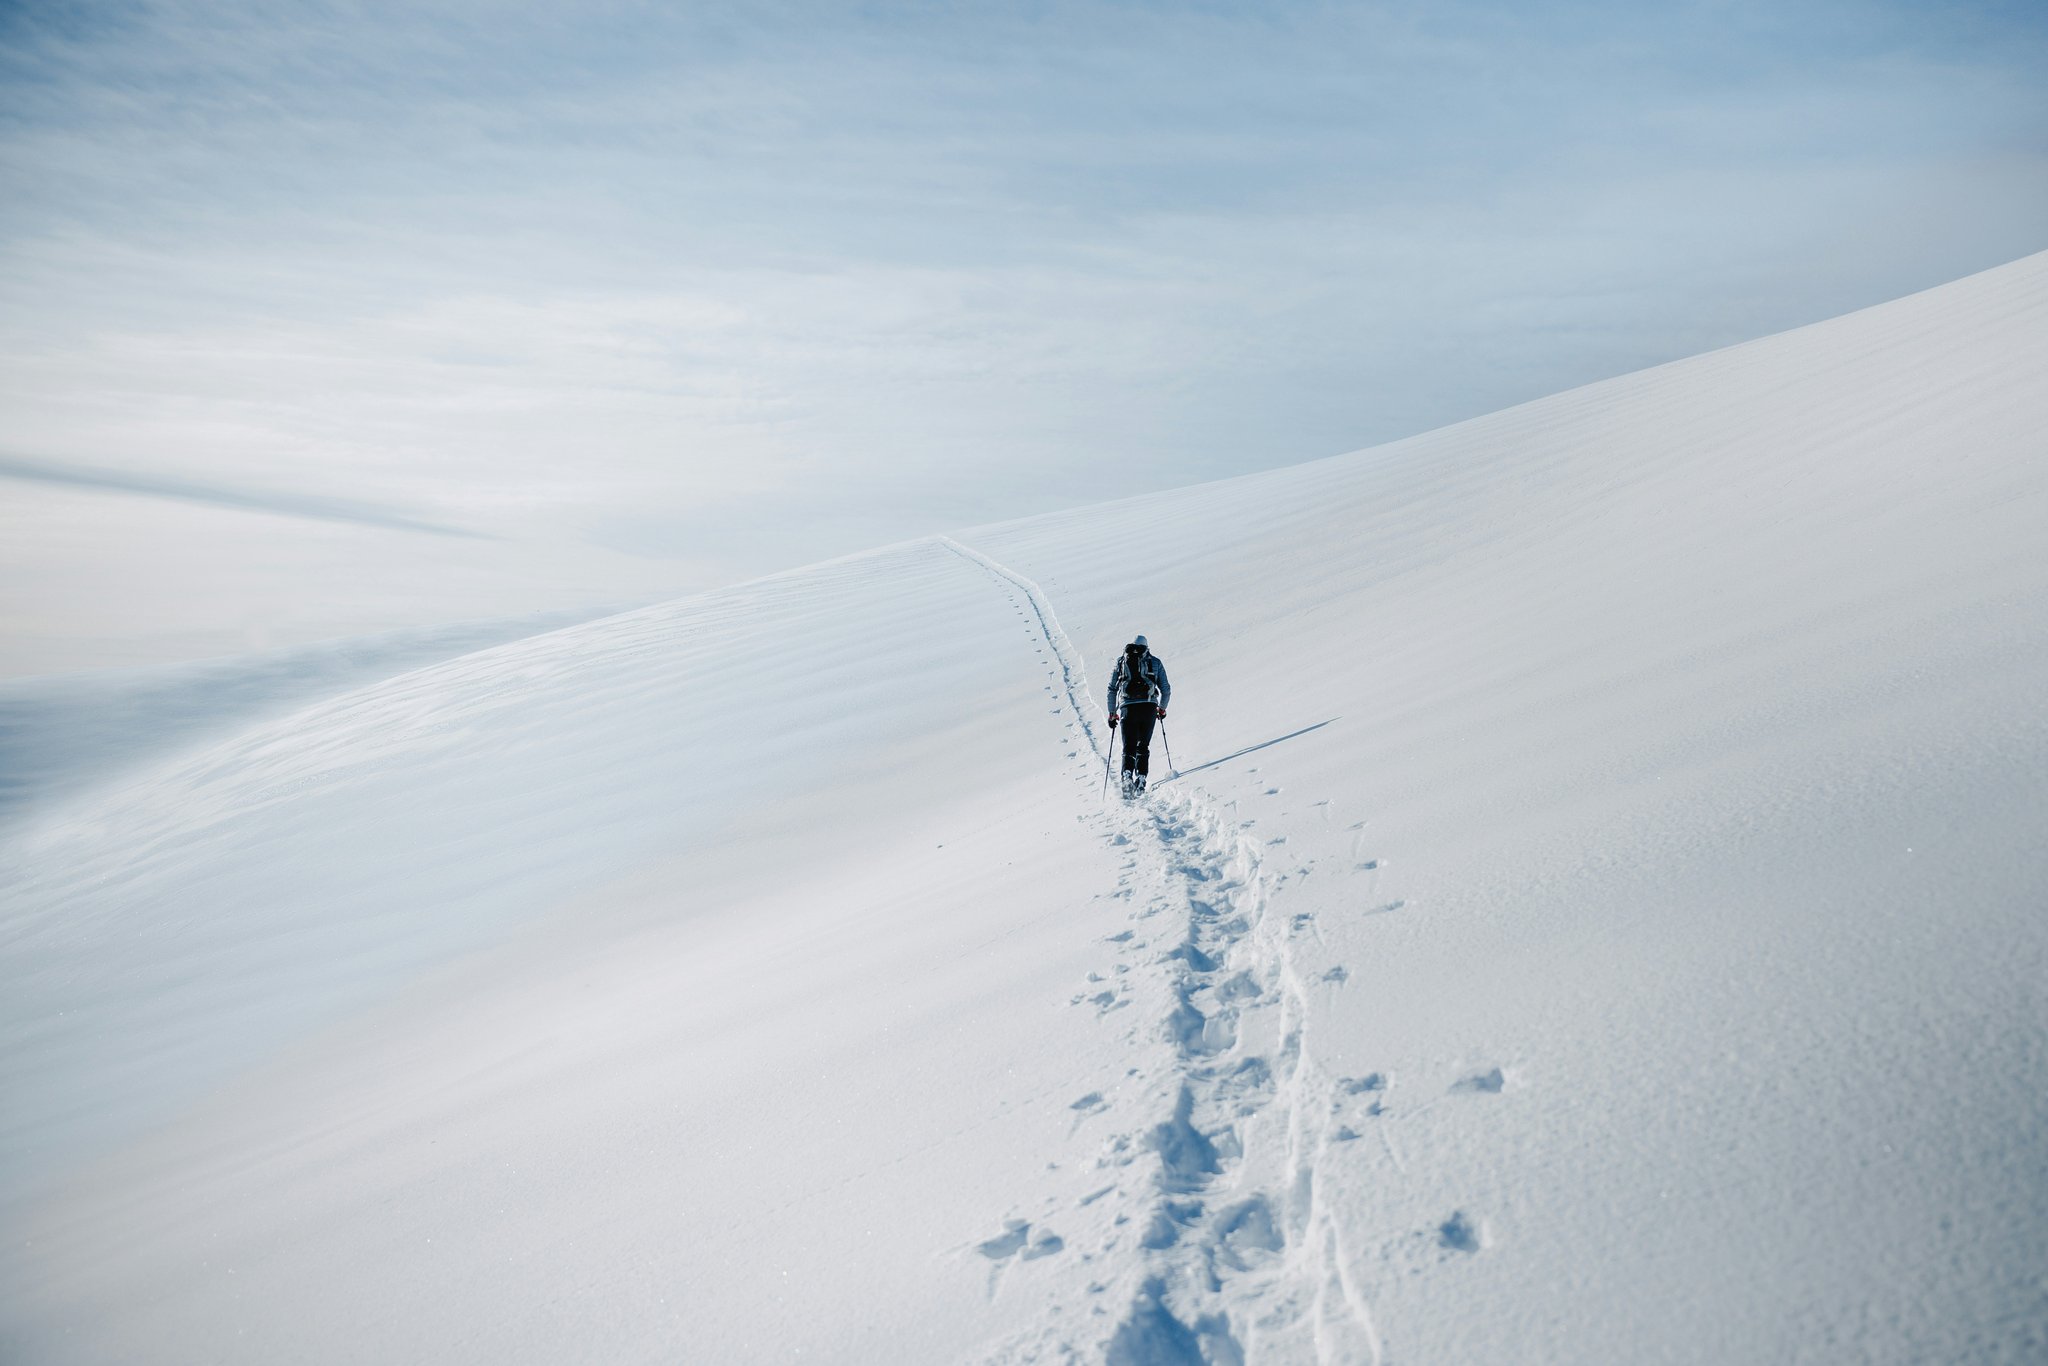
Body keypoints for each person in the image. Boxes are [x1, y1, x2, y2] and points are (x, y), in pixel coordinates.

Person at [1106, 634, 1171, 798]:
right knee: (1143, 746)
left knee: (1129, 746)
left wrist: (1112, 713)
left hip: (1127, 707)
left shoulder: (1121, 662)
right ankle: (1141, 778)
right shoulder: (1155, 662)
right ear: (1147, 647)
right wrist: (1161, 709)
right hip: (1149, 707)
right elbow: (1166, 689)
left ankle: (1127, 776)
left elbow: (1112, 689)